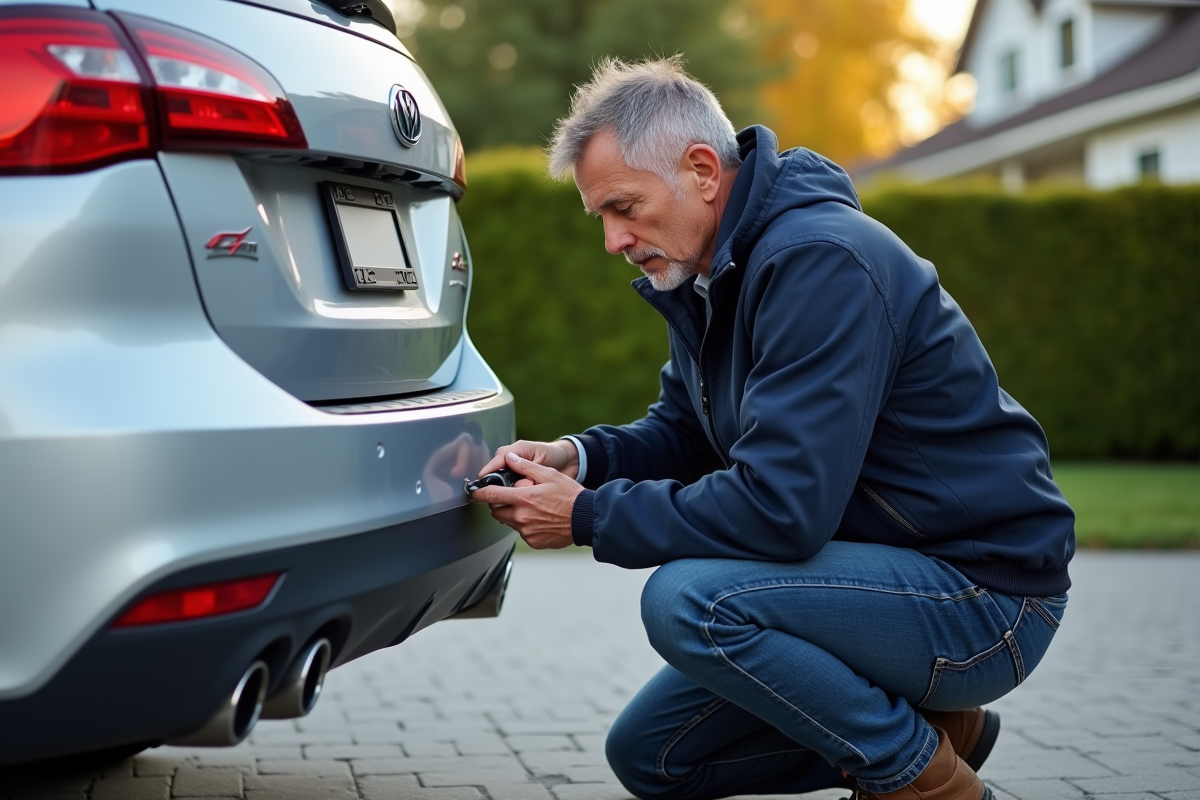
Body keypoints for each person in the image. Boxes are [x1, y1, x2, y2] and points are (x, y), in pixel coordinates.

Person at [468, 56, 1074, 800]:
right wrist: (578, 458)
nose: (613, 241)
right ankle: (948, 733)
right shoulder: (710, 274)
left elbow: (782, 508)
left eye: (624, 207)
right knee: (655, 755)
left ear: (701, 170)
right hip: (883, 577)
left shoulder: (820, 262)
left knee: (691, 601)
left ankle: (926, 784)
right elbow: (688, 435)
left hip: (984, 598)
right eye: (602, 217)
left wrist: (587, 516)